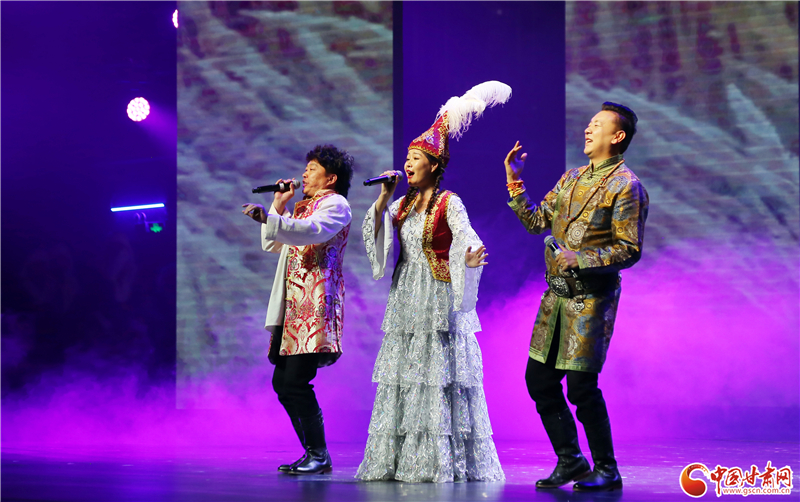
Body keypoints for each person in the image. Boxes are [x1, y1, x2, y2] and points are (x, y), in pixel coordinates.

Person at [356, 81, 510, 483]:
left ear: (434, 164)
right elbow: (376, 234)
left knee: (438, 376)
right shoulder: (401, 204)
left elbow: (467, 236)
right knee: (407, 376)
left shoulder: (448, 202)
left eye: (415, 159)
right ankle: (400, 460)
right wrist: (382, 198)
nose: (407, 164)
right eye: (406, 158)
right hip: (406, 292)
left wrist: (469, 257)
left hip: (437, 294)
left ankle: (439, 461)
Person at [503, 102, 648, 492]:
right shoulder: (571, 178)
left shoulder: (627, 185)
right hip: (555, 301)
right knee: (539, 381)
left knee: (581, 387)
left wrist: (580, 258)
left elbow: (629, 249)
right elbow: (536, 221)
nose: (588, 129)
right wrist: (515, 181)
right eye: (589, 124)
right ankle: (570, 459)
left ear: (617, 137)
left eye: (597, 125)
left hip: (591, 300)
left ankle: (607, 468)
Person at [241, 145, 354, 475]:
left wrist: (273, 218)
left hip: (314, 307)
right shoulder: (303, 209)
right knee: (282, 382)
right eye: (305, 168)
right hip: (292, 308)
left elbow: (312, 232)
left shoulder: (336, 204)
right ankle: (314, 453)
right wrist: (279, 204)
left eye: (312, 168)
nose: (304, 174)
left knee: (294, 381)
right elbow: (272, 242)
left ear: (331, 178)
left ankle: (319, 454)